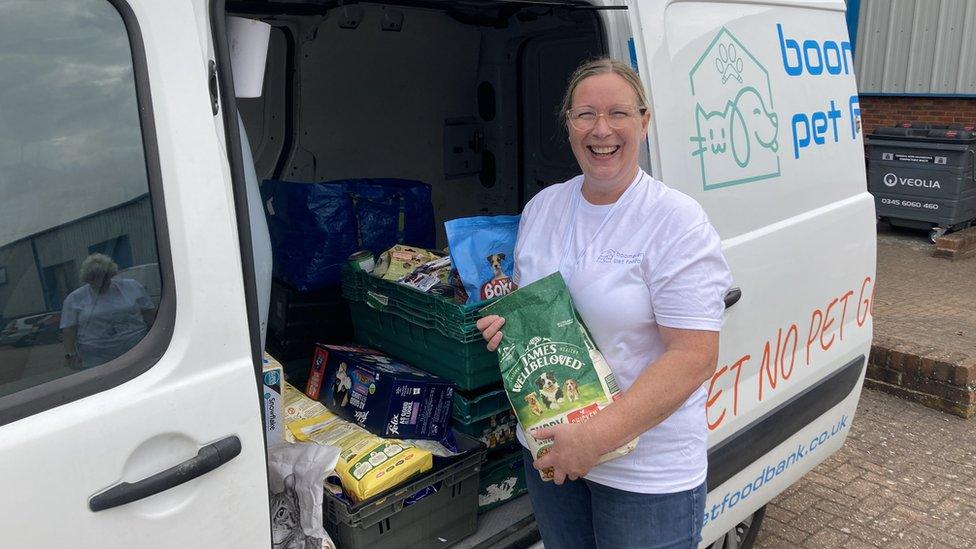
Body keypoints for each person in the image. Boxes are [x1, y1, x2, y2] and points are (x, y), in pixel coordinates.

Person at [476, 58, 732, 548]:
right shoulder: (543, 208)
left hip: (645, 477)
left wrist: (593, 438)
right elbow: (537, 311)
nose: (601, 130)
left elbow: (694, 356)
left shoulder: (675, 221)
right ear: (568, 125)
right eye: (584, 115)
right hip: (552, 451)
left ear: (644, 122)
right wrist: (508, 328)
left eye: (618, 113)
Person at [61, 253, 156, 369]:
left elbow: (150, 315)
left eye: (104, 276)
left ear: (111, 274)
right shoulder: (74, 298)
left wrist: (156, 340)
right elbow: (69, 330)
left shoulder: (132, 287)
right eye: (94, 277)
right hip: (96, 359)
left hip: (137, 351)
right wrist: (70, 355)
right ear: (87, 278)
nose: (100, 281)